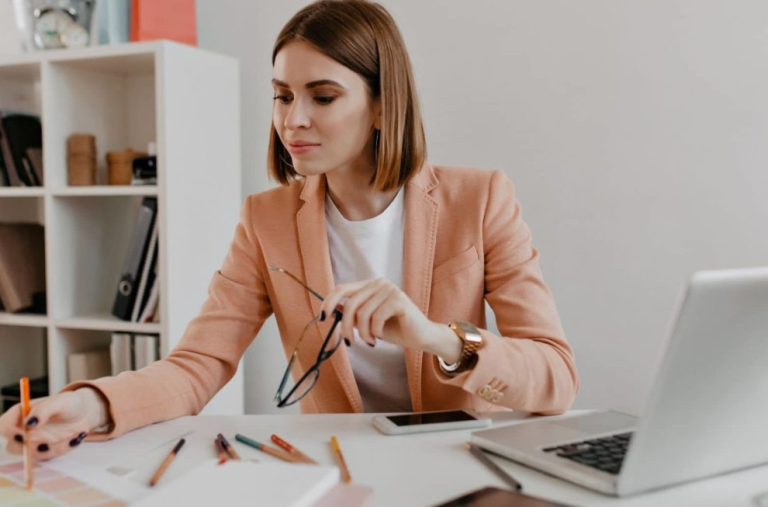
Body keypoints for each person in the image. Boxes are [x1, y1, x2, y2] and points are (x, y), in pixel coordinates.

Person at [0, 0, 578, 461]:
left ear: (382, 104)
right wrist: (92, 404)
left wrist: (436, 338)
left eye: (322, 96)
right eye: (281, 96)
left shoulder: (480, 200)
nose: (291, 120)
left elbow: (557, 378)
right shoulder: (265, 220)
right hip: (332, 467)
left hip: (454, 467)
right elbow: (198, 365)